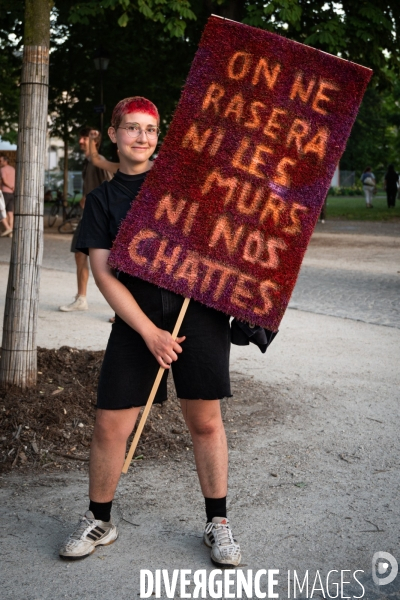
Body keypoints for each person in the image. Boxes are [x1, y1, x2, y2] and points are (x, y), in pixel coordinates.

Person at [58, 96, 241, 568]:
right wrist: (148, 333)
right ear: (114, 134)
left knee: (205, 422)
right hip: (135, 323)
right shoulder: (102, 201)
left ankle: (217, 523)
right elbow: (103, 275)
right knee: (109, 425)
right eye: (133, 128)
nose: (142, 137)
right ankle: (99, 519)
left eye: (151, 130)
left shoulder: (186, 184)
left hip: (196, 317)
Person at [59, 128, 110, 312]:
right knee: (79, 254)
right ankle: (81, 298)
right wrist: (84, 197)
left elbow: (111, 187)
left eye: (85, 137)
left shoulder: (99, 162)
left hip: (100, 218)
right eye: (81, 137)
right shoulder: (87, 162)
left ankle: (122, 312)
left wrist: (94, 202)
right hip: (89, 216)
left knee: (111, 263)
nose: (81, 141)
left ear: (95, 140)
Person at [0, 154, 15, 237]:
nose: (0, 163)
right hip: (12, 193)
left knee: (1, 210)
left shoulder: (2, 169)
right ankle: (10, 232)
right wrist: (13, 188)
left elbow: (4, 181)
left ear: (5, 161)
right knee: (10, 212)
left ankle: (8, 227)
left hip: (5, 192)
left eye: (0, 161)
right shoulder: (13, 169)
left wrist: (10, 187)